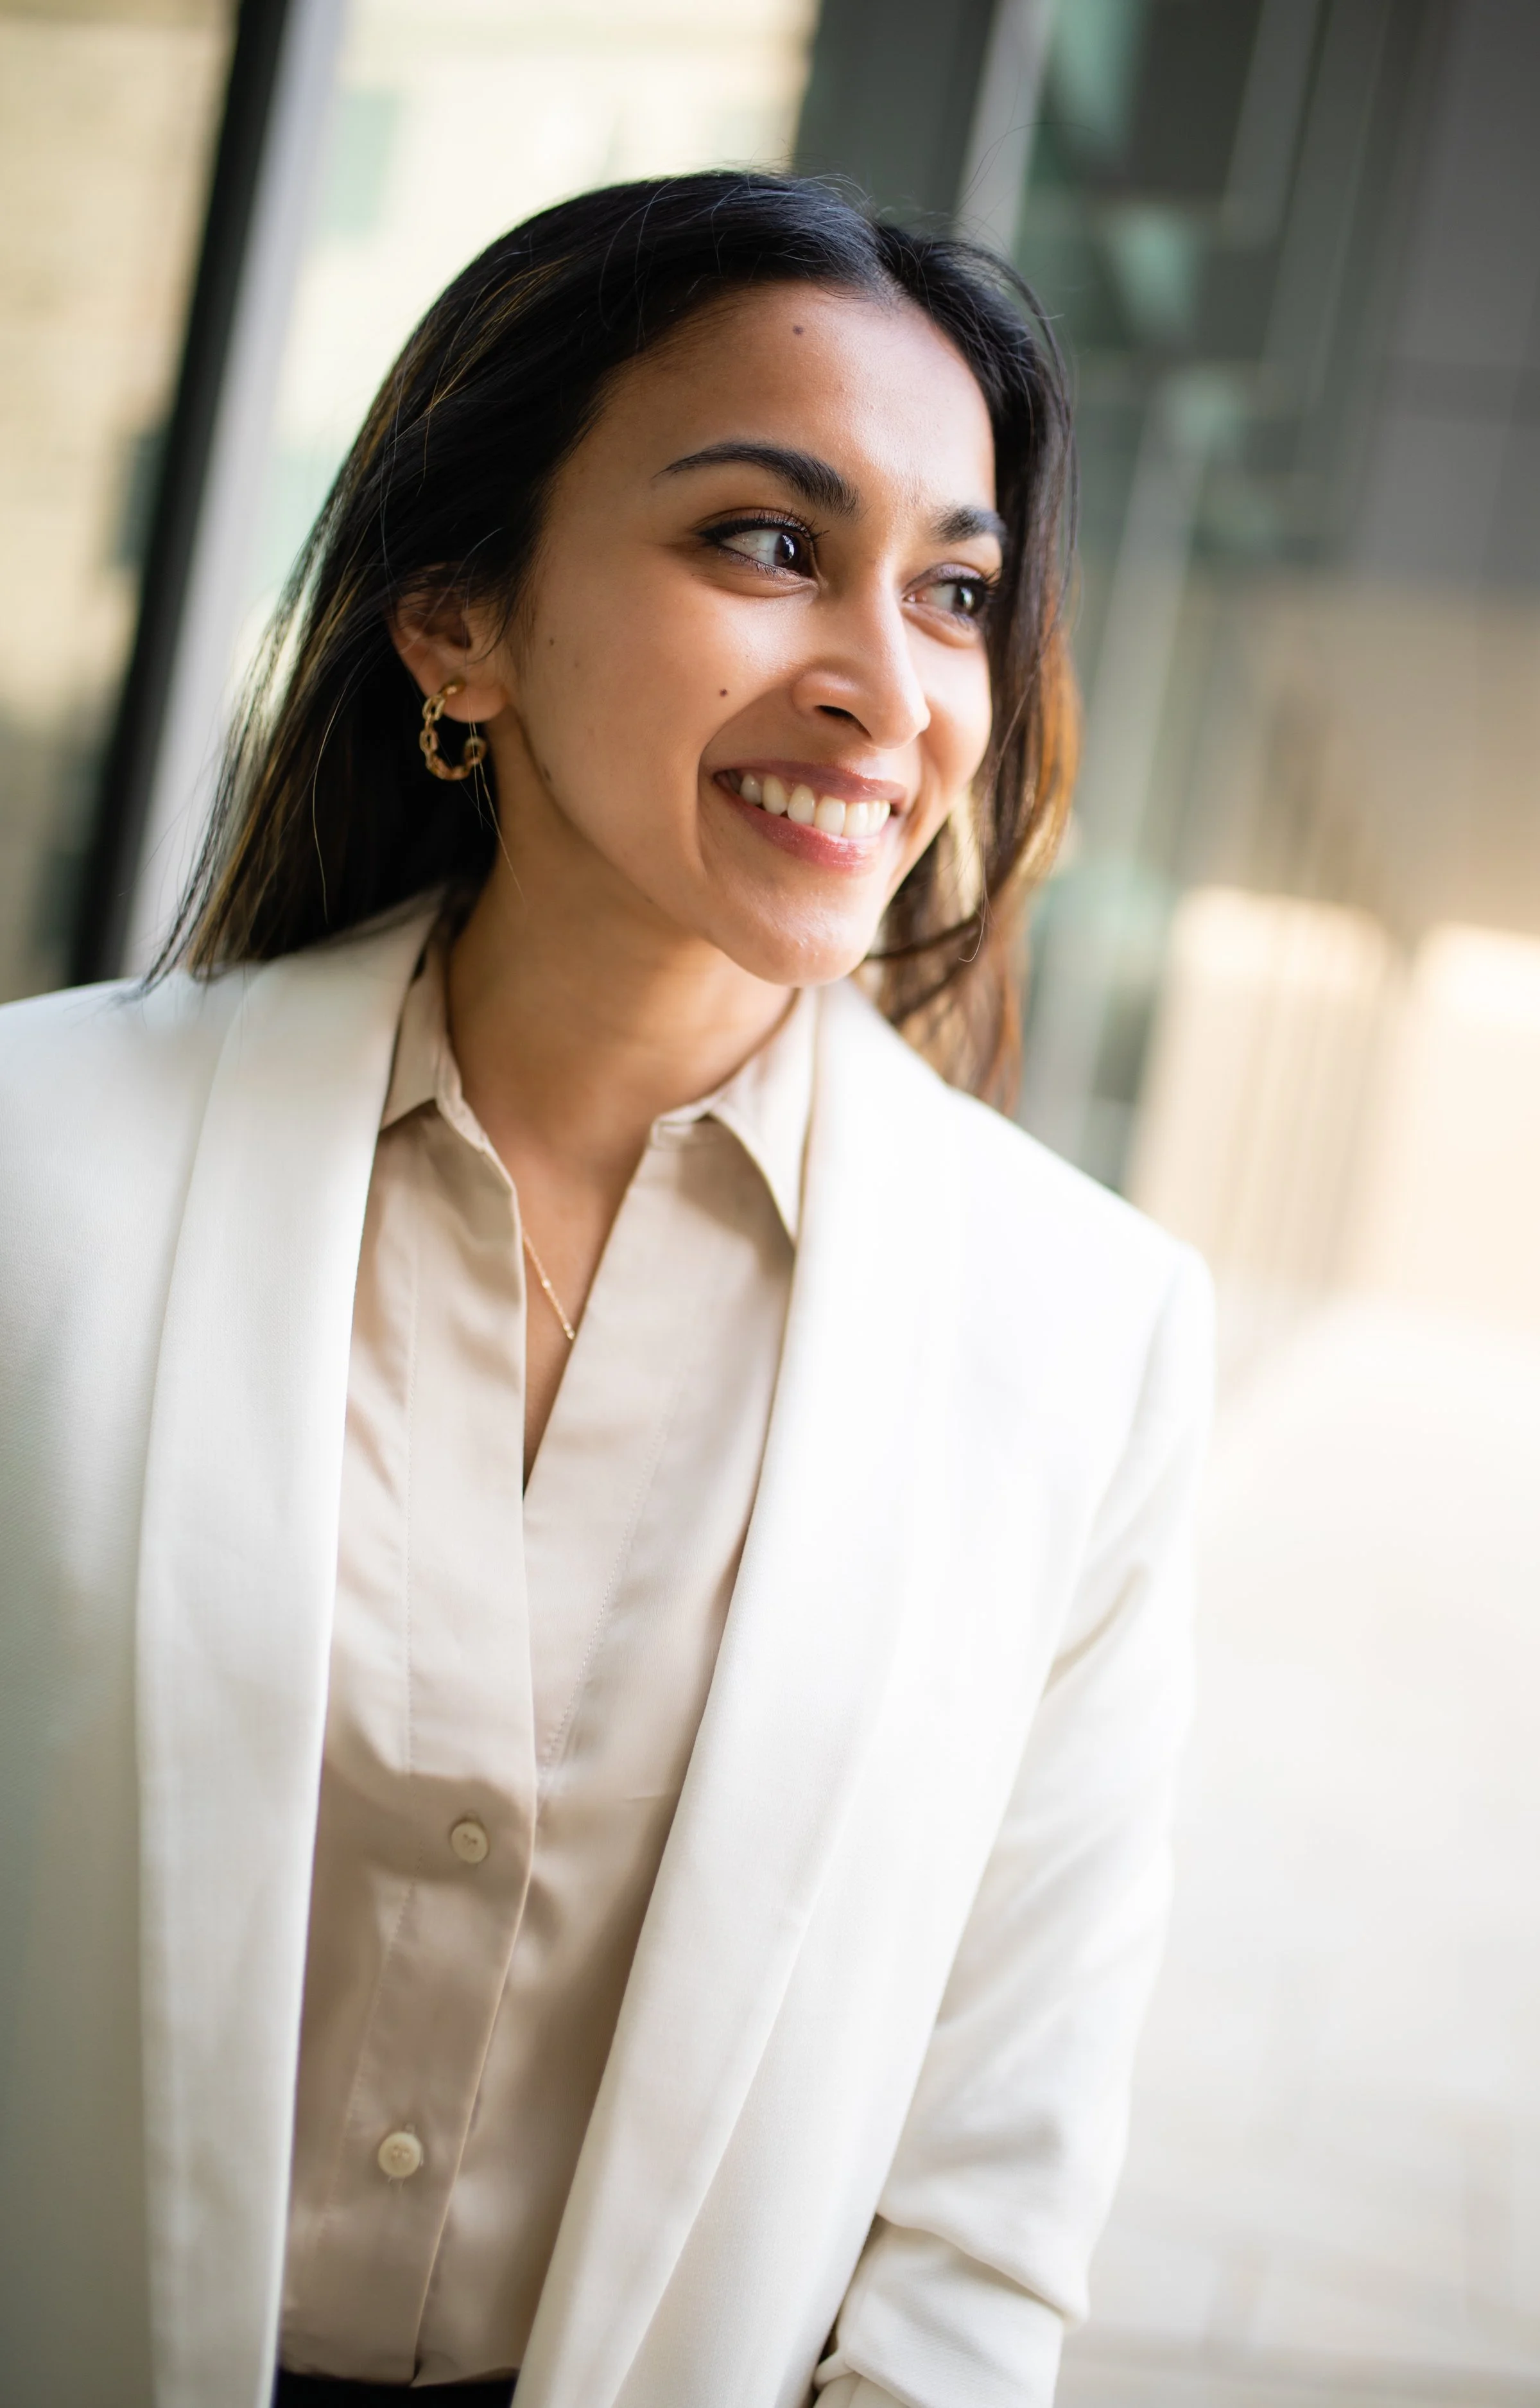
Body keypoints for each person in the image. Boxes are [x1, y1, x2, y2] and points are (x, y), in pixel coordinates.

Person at [0, 172, 1211, 2408]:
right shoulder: (38, 1170)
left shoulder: (1082, 1336)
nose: (883, 686)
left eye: (953, 591)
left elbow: (980, 2209)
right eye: (766, 543)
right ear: (455, 623)